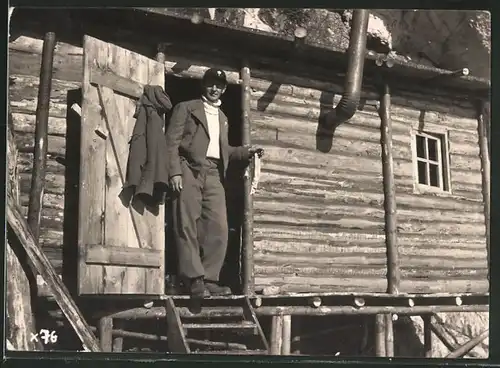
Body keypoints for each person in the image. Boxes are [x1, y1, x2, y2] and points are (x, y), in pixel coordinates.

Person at [165, 68, 264, 298]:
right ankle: (193, 279)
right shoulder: (186, 108)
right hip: (188, 168)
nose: (214, 89)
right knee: (186, 222)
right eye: (210, 84)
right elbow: (171, 142)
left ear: (224, 89)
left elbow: (223, 151)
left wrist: (246, 151)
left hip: (214, 173)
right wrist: (174, 173)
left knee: (219, 226)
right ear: (204, 86)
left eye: (219, 86)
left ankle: (209, 278)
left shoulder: (223, 118)